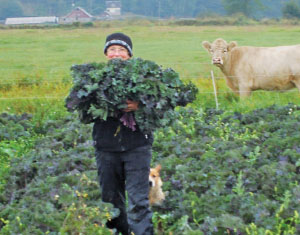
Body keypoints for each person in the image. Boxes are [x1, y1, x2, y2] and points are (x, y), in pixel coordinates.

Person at [93, 32, 154, 235]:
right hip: (106, 146)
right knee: (110, 199)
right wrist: (103, 104)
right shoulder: (94, 78)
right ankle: (120, 233)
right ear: (106, 53)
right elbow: (83, 111)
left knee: (139, 200)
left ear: (129, 54)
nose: (116, 54)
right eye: (112, 50)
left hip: (137, 147)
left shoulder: (145, 77)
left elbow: (163, 104)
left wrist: (140, 105)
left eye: (121, 50)